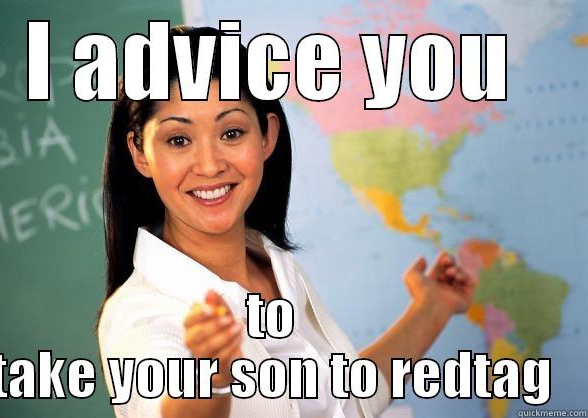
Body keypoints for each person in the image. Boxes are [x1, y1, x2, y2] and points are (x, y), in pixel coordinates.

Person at [97, 25, 476, 418]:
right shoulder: (138, 317)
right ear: (140, 153)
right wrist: (210, 381)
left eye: (231, 132)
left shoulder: (274, 266)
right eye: (178, 140)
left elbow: (345, 402)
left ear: (267, 136)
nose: (209, 166)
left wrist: (433, 306)